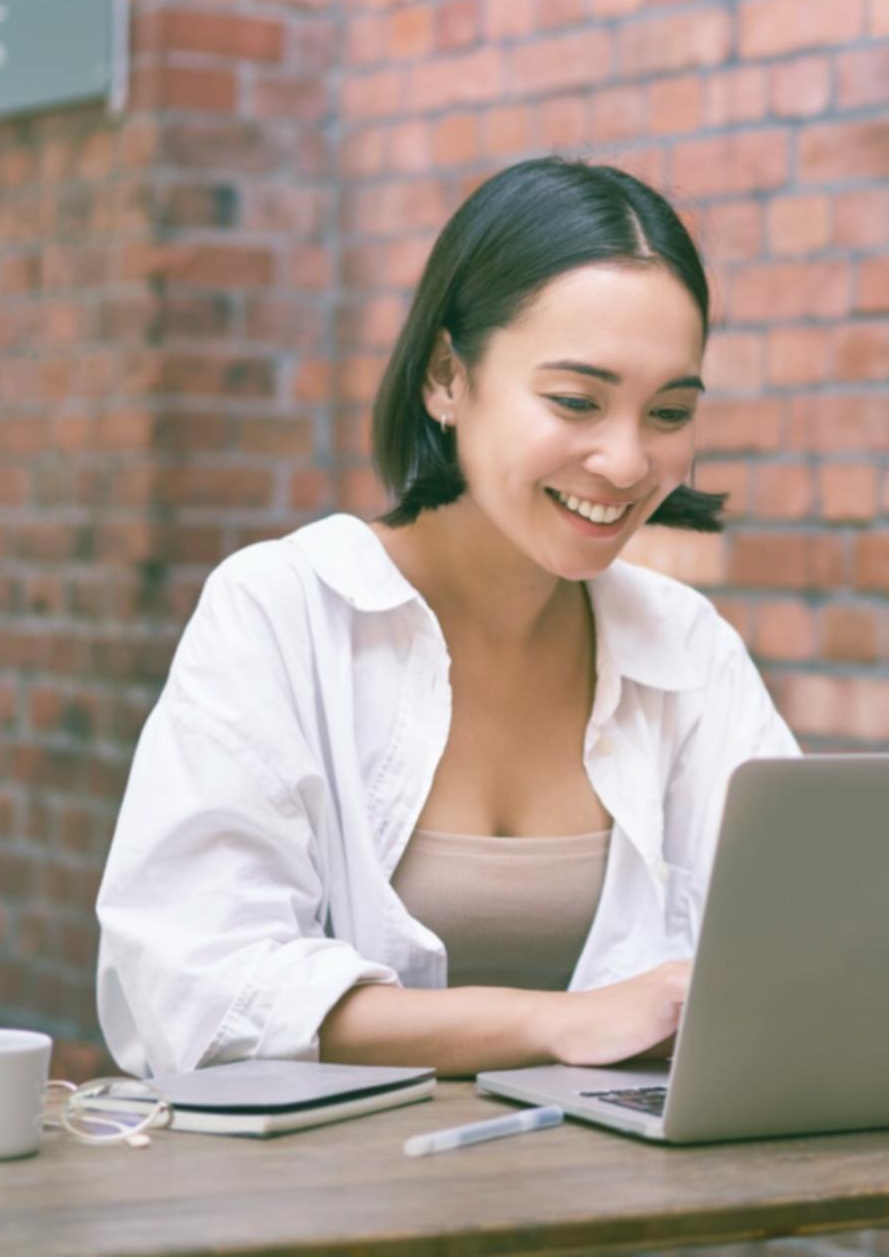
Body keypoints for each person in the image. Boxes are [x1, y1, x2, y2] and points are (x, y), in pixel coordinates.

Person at [95, 158, 800, 1080]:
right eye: (576, 401)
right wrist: (557, 1024)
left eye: (669, 411)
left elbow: (796, 946)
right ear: (445, 378)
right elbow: (194, 989)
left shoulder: (686, 645)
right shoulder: (285, 610)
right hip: (338, 1208)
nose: (628, 462)